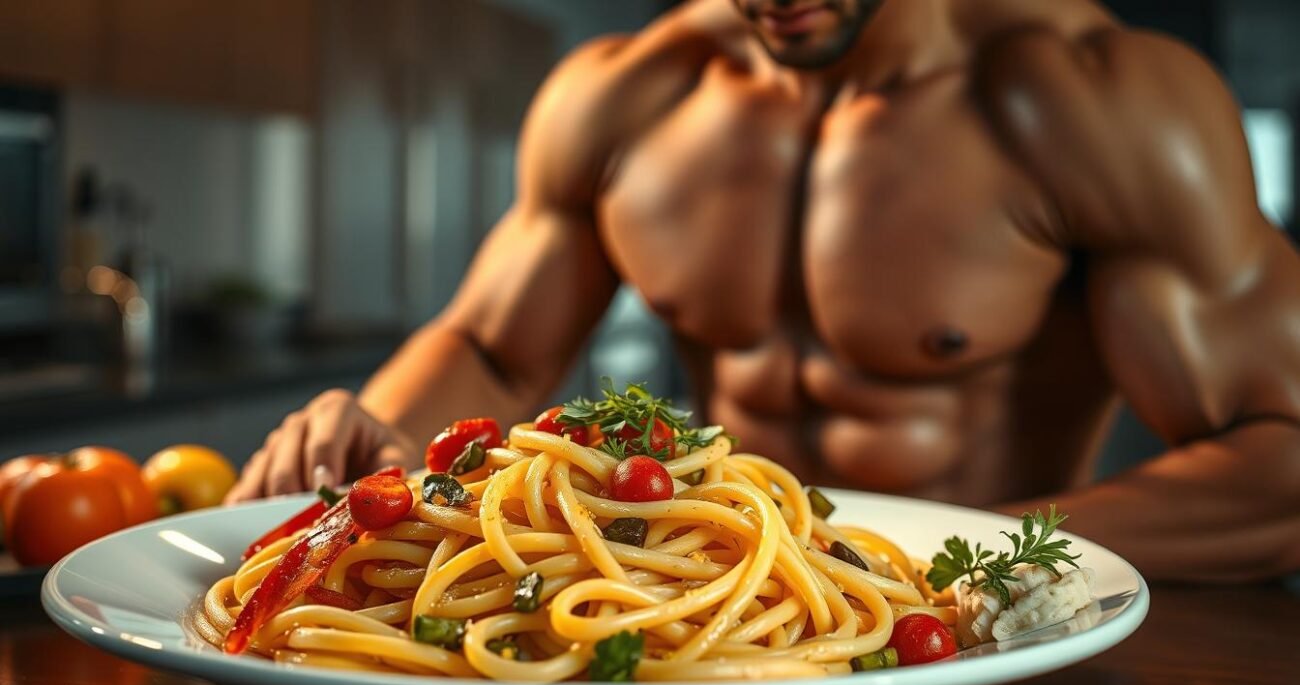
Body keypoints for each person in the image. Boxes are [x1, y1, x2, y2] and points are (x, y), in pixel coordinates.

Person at [226, 0, 1300, 582]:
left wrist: (959, 560)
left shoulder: (1089, 99)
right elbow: (497, 350)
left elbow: (1283, 450)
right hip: (707, 638)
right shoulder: (630, 94)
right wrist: (370, 435)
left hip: (979, 654)